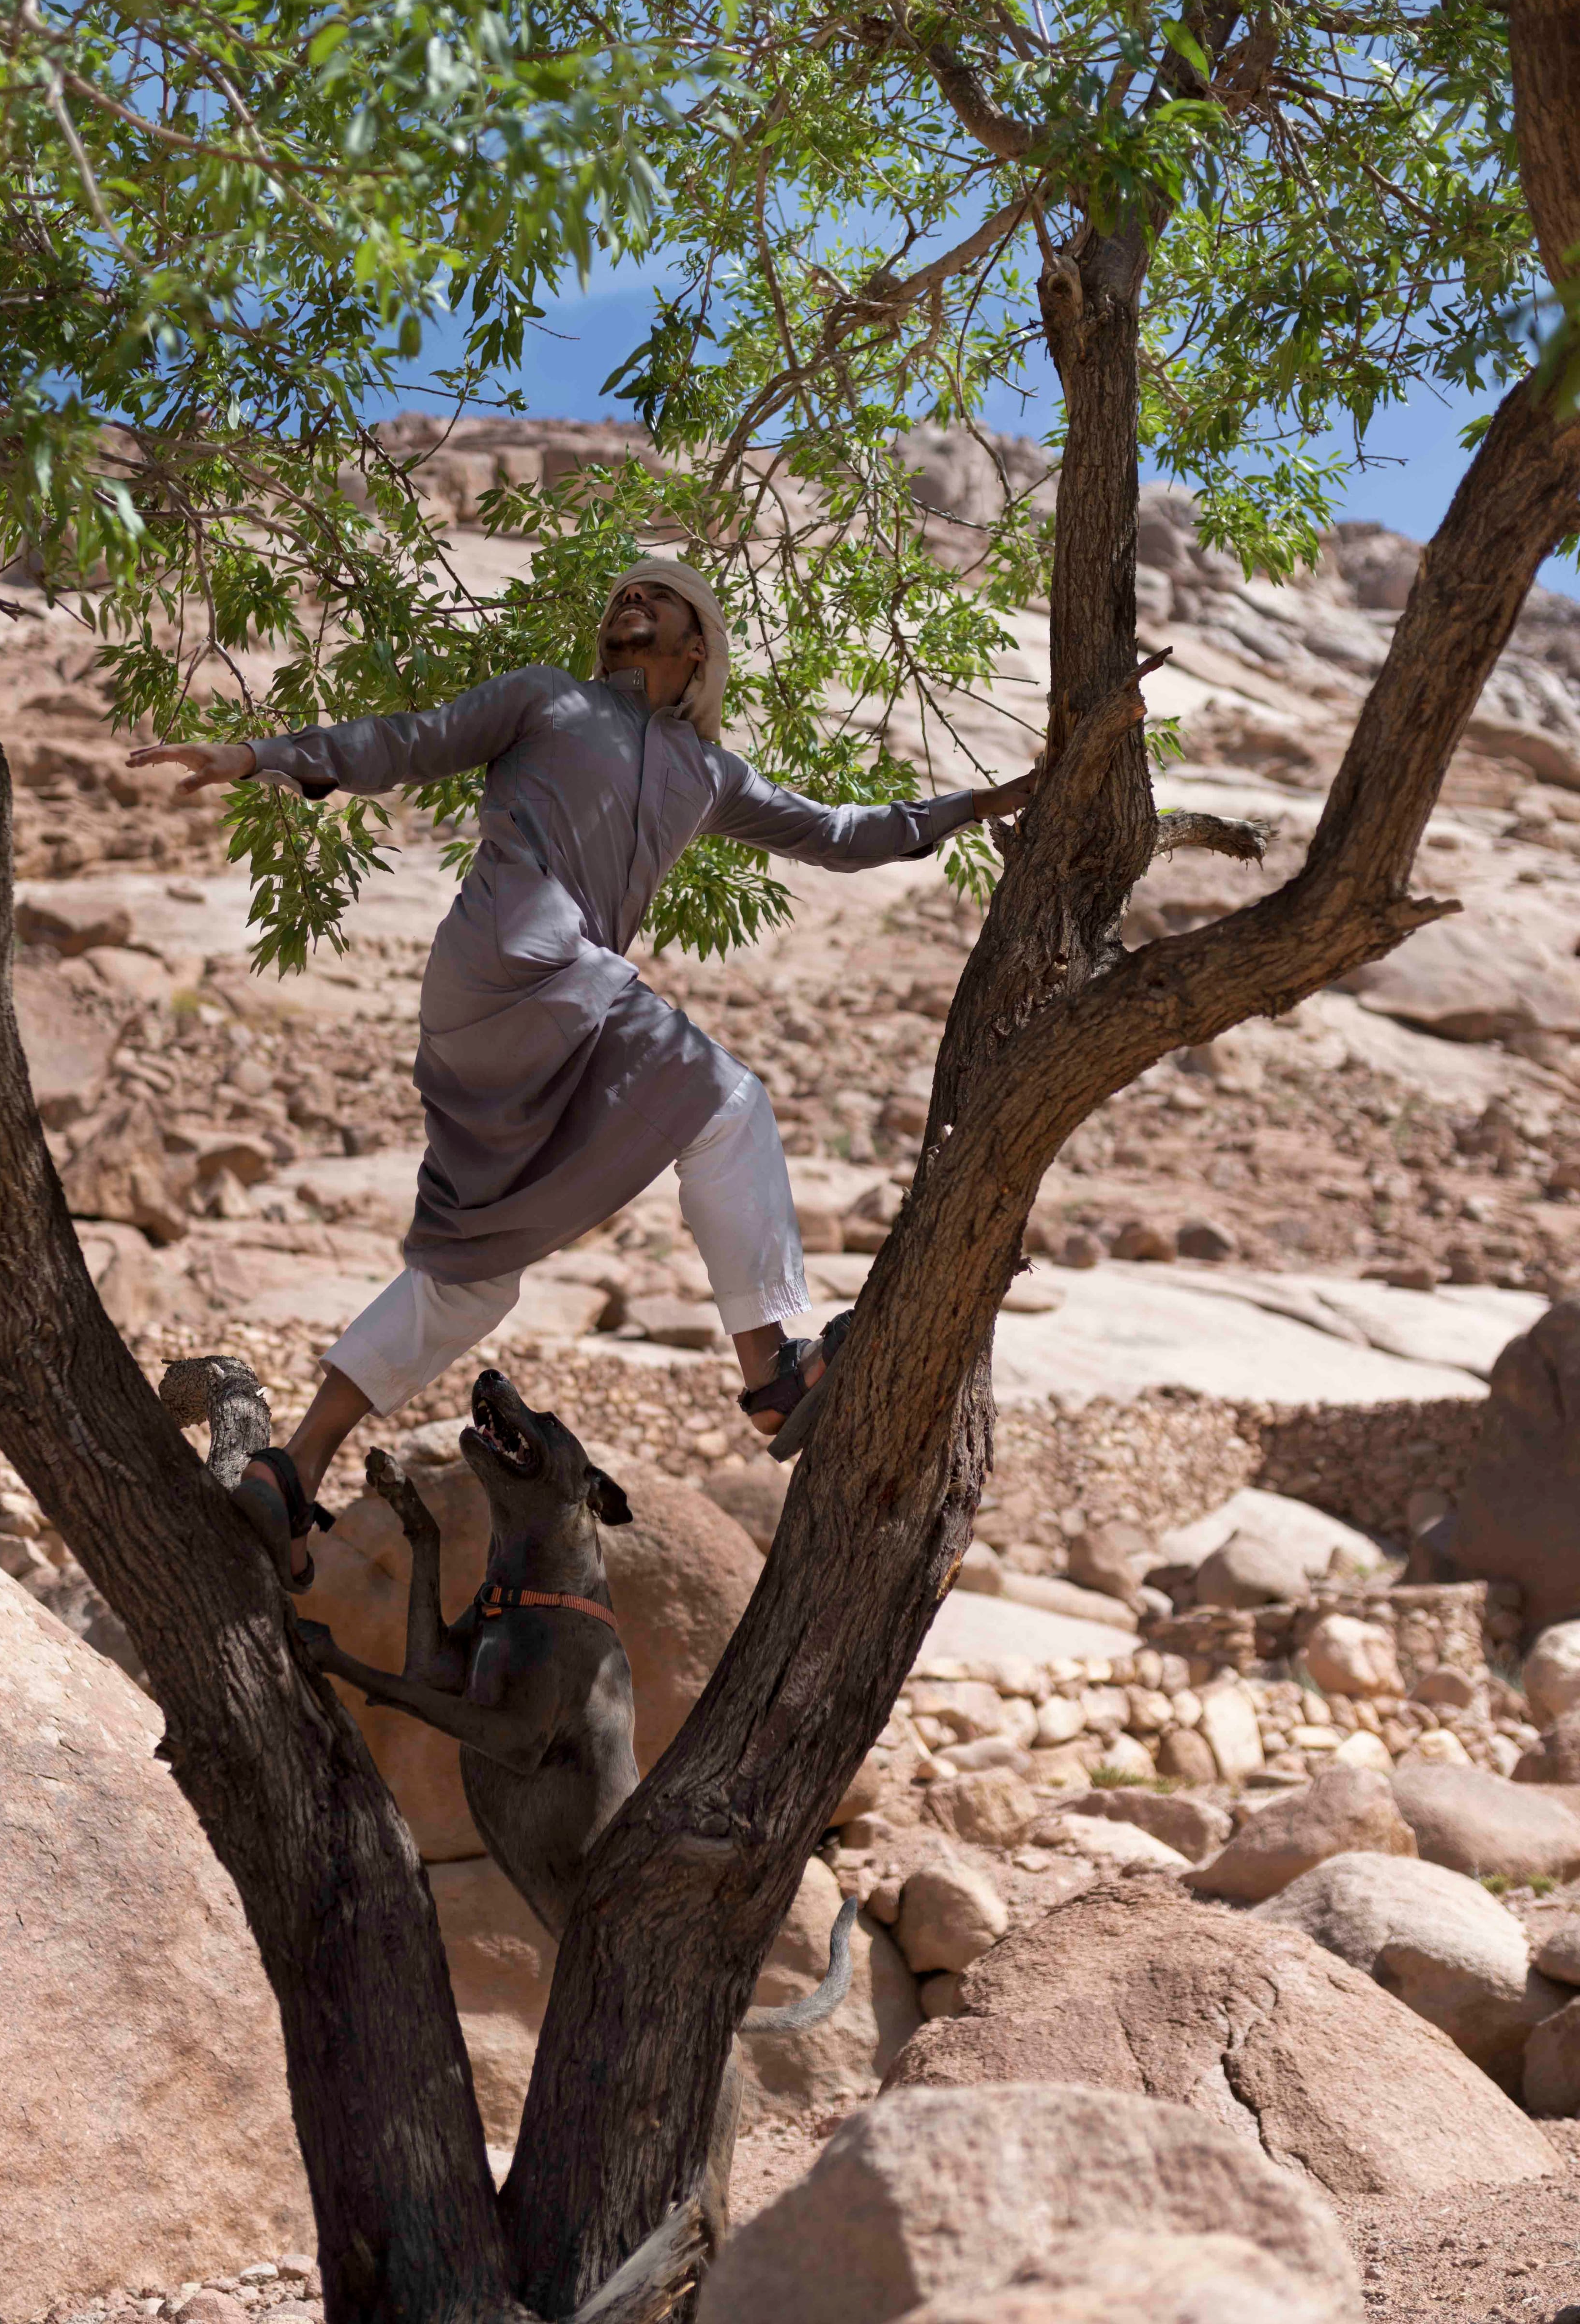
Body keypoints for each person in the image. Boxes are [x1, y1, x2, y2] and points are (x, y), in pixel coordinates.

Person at [130, 556, 1037, 1579]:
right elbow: (405, 742)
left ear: (700, 645)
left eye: (656, 596)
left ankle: (290, 1473)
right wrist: (260, 756)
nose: (629, 602)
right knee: (730, 1102)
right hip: (528, 963)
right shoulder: (543, 697)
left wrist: (981, 801)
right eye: (621, 595)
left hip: (513, 1022)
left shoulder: (708, 772)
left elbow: (837, 834)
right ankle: (772, 1374)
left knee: (471, 1276)